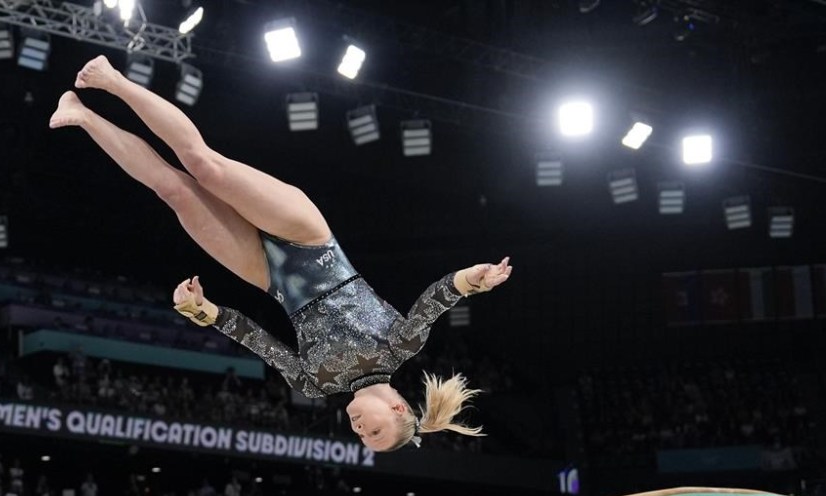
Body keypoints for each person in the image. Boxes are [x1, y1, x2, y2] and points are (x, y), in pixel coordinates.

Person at [50, 56, 512, 452]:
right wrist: (474, 279)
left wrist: (207, 311)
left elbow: (256, 339)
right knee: (203, 166)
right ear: (396, 406)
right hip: (310, 242)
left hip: (268, 278)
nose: (358, 429)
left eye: (361, 438)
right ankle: (113, 80)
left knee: (176, 191)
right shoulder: (399, 347)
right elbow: (436, 299)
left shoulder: (312, 384)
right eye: (374, 430)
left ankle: (84, 115)